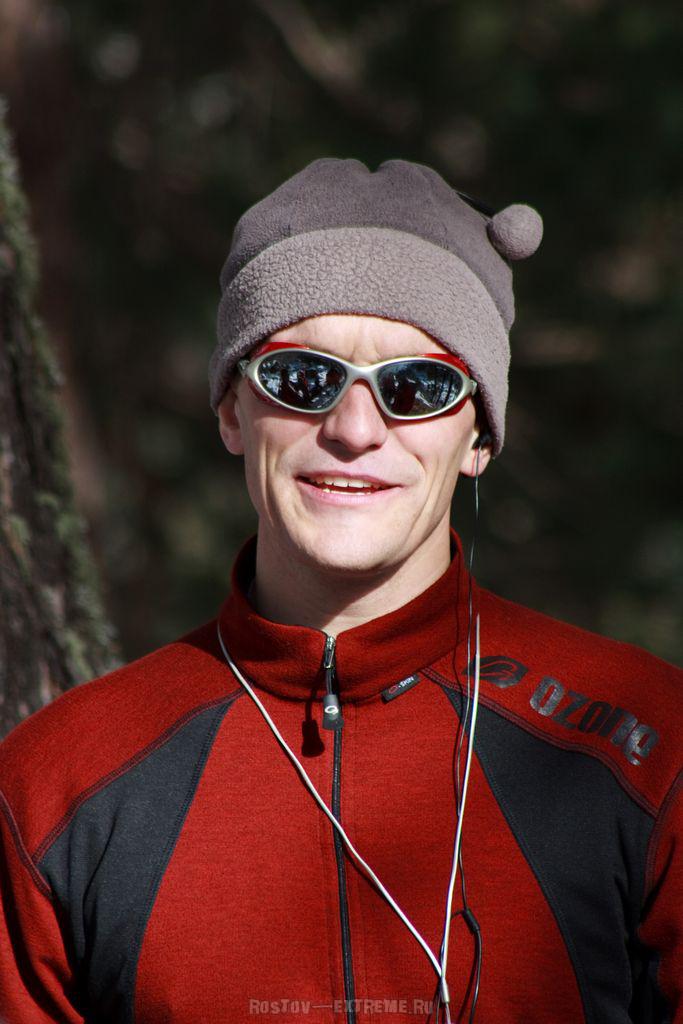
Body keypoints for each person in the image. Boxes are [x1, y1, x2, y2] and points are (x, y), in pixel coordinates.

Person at [0, 158, 680, 1024]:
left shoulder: (651, 751)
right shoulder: (55, 784)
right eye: (302, 377)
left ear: (478, 435)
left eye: (417, 387)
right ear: (231, 411)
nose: (354, 430)